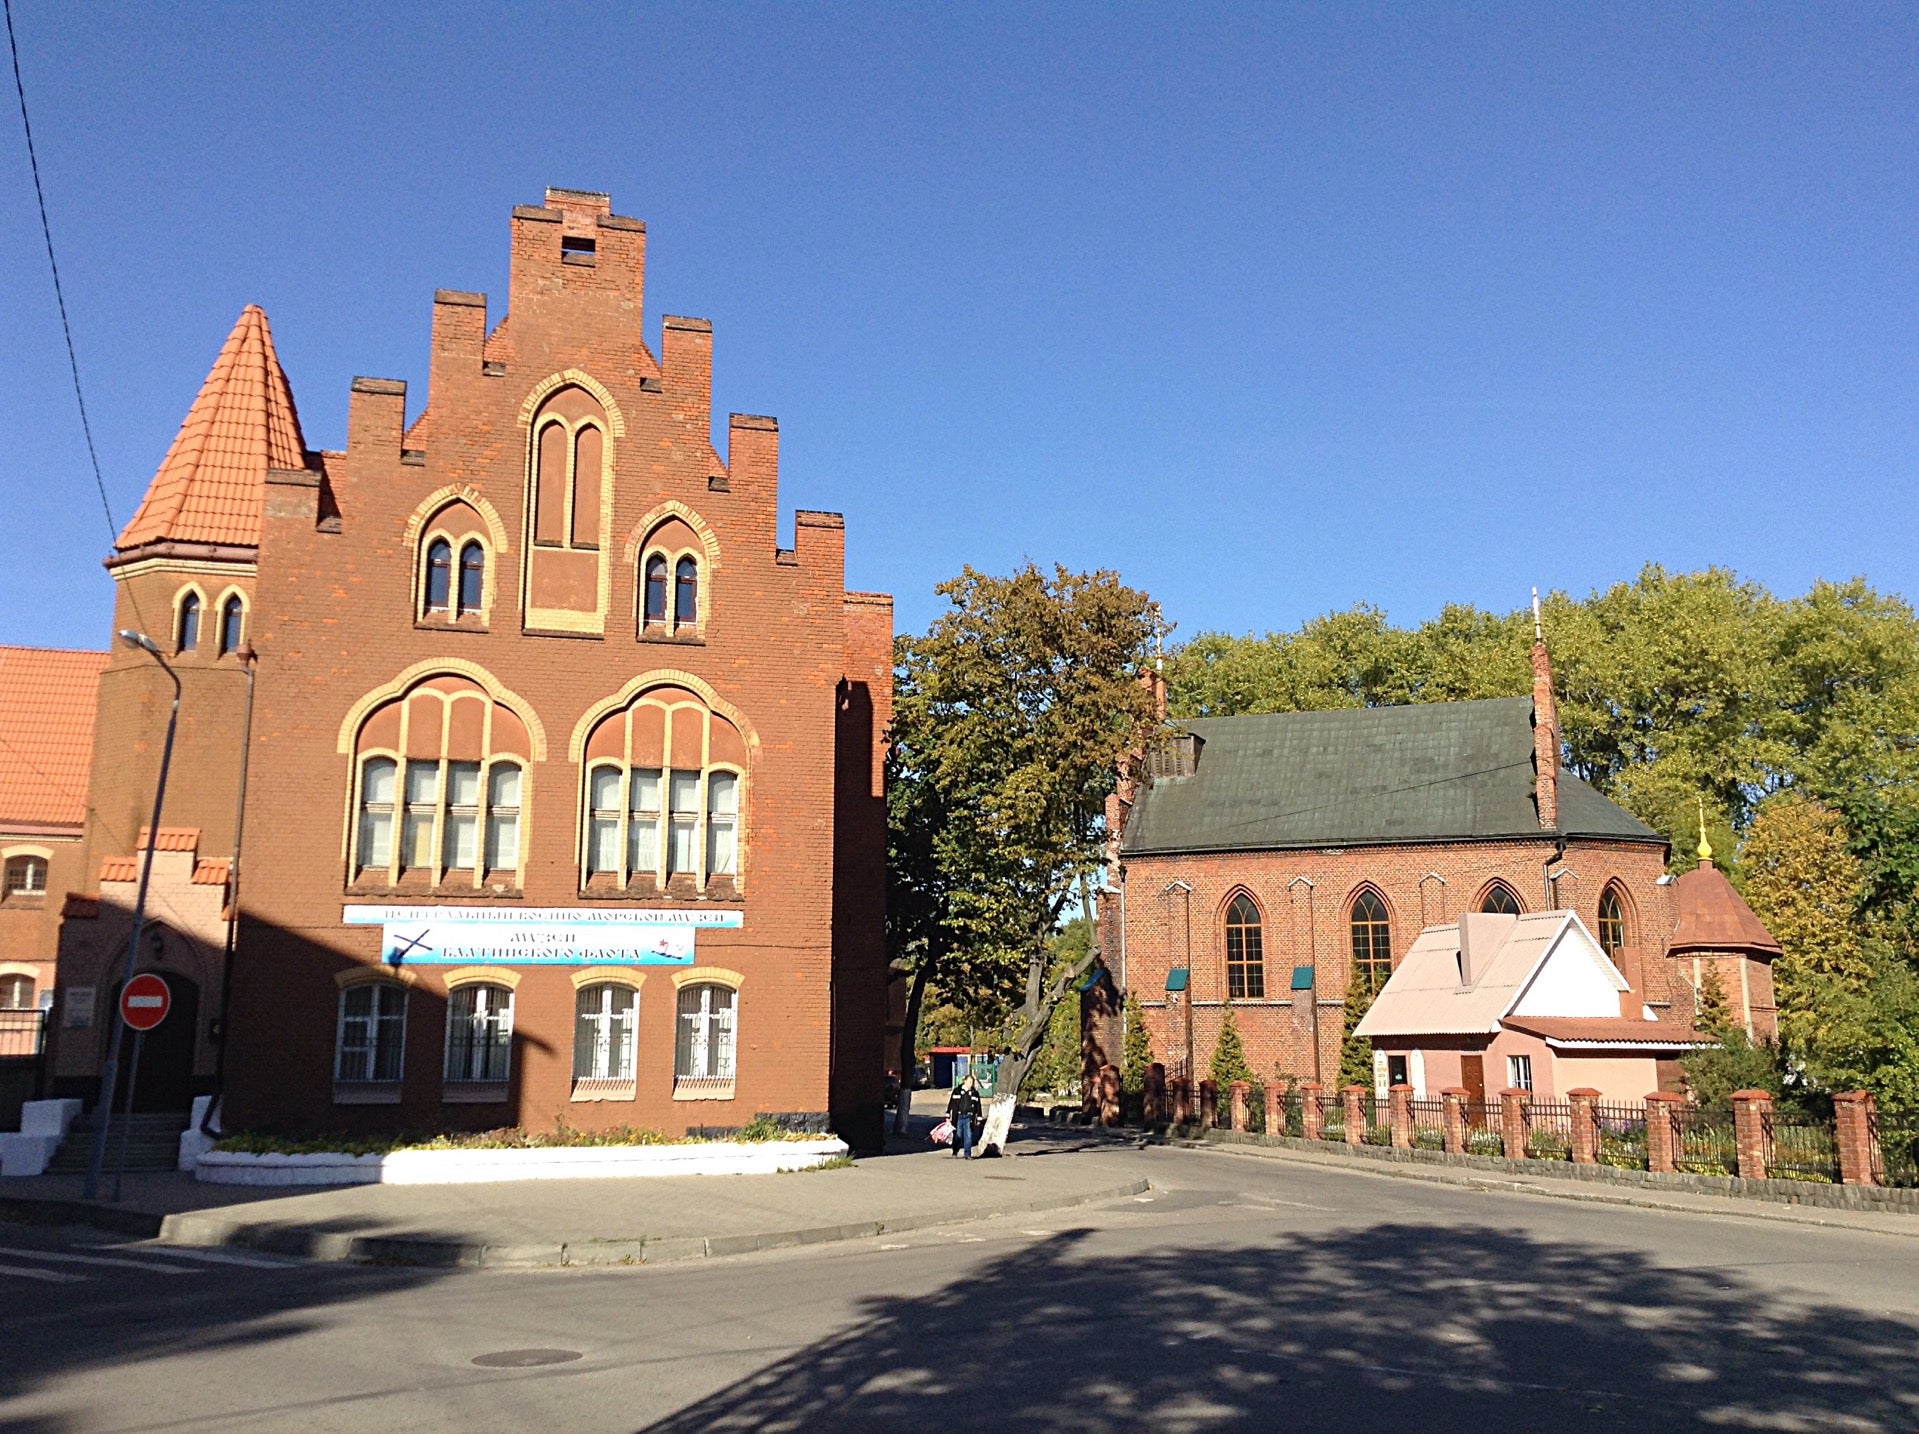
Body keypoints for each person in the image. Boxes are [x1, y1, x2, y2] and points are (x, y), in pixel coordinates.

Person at [947, 1075, 982, 1159]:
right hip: (958, 1116)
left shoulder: (974, 1093)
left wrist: (979, 1117)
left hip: (969, 1117)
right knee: (958, 1135)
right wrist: (948, 1115)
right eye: (969, 1082)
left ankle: (967, 1154)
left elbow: (978, 1106)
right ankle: (955, 1152)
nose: (971, 1084)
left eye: (972, 1082)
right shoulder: (957, 1091)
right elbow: (951, 1104)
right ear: (965, 1081)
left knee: (968, 1136)